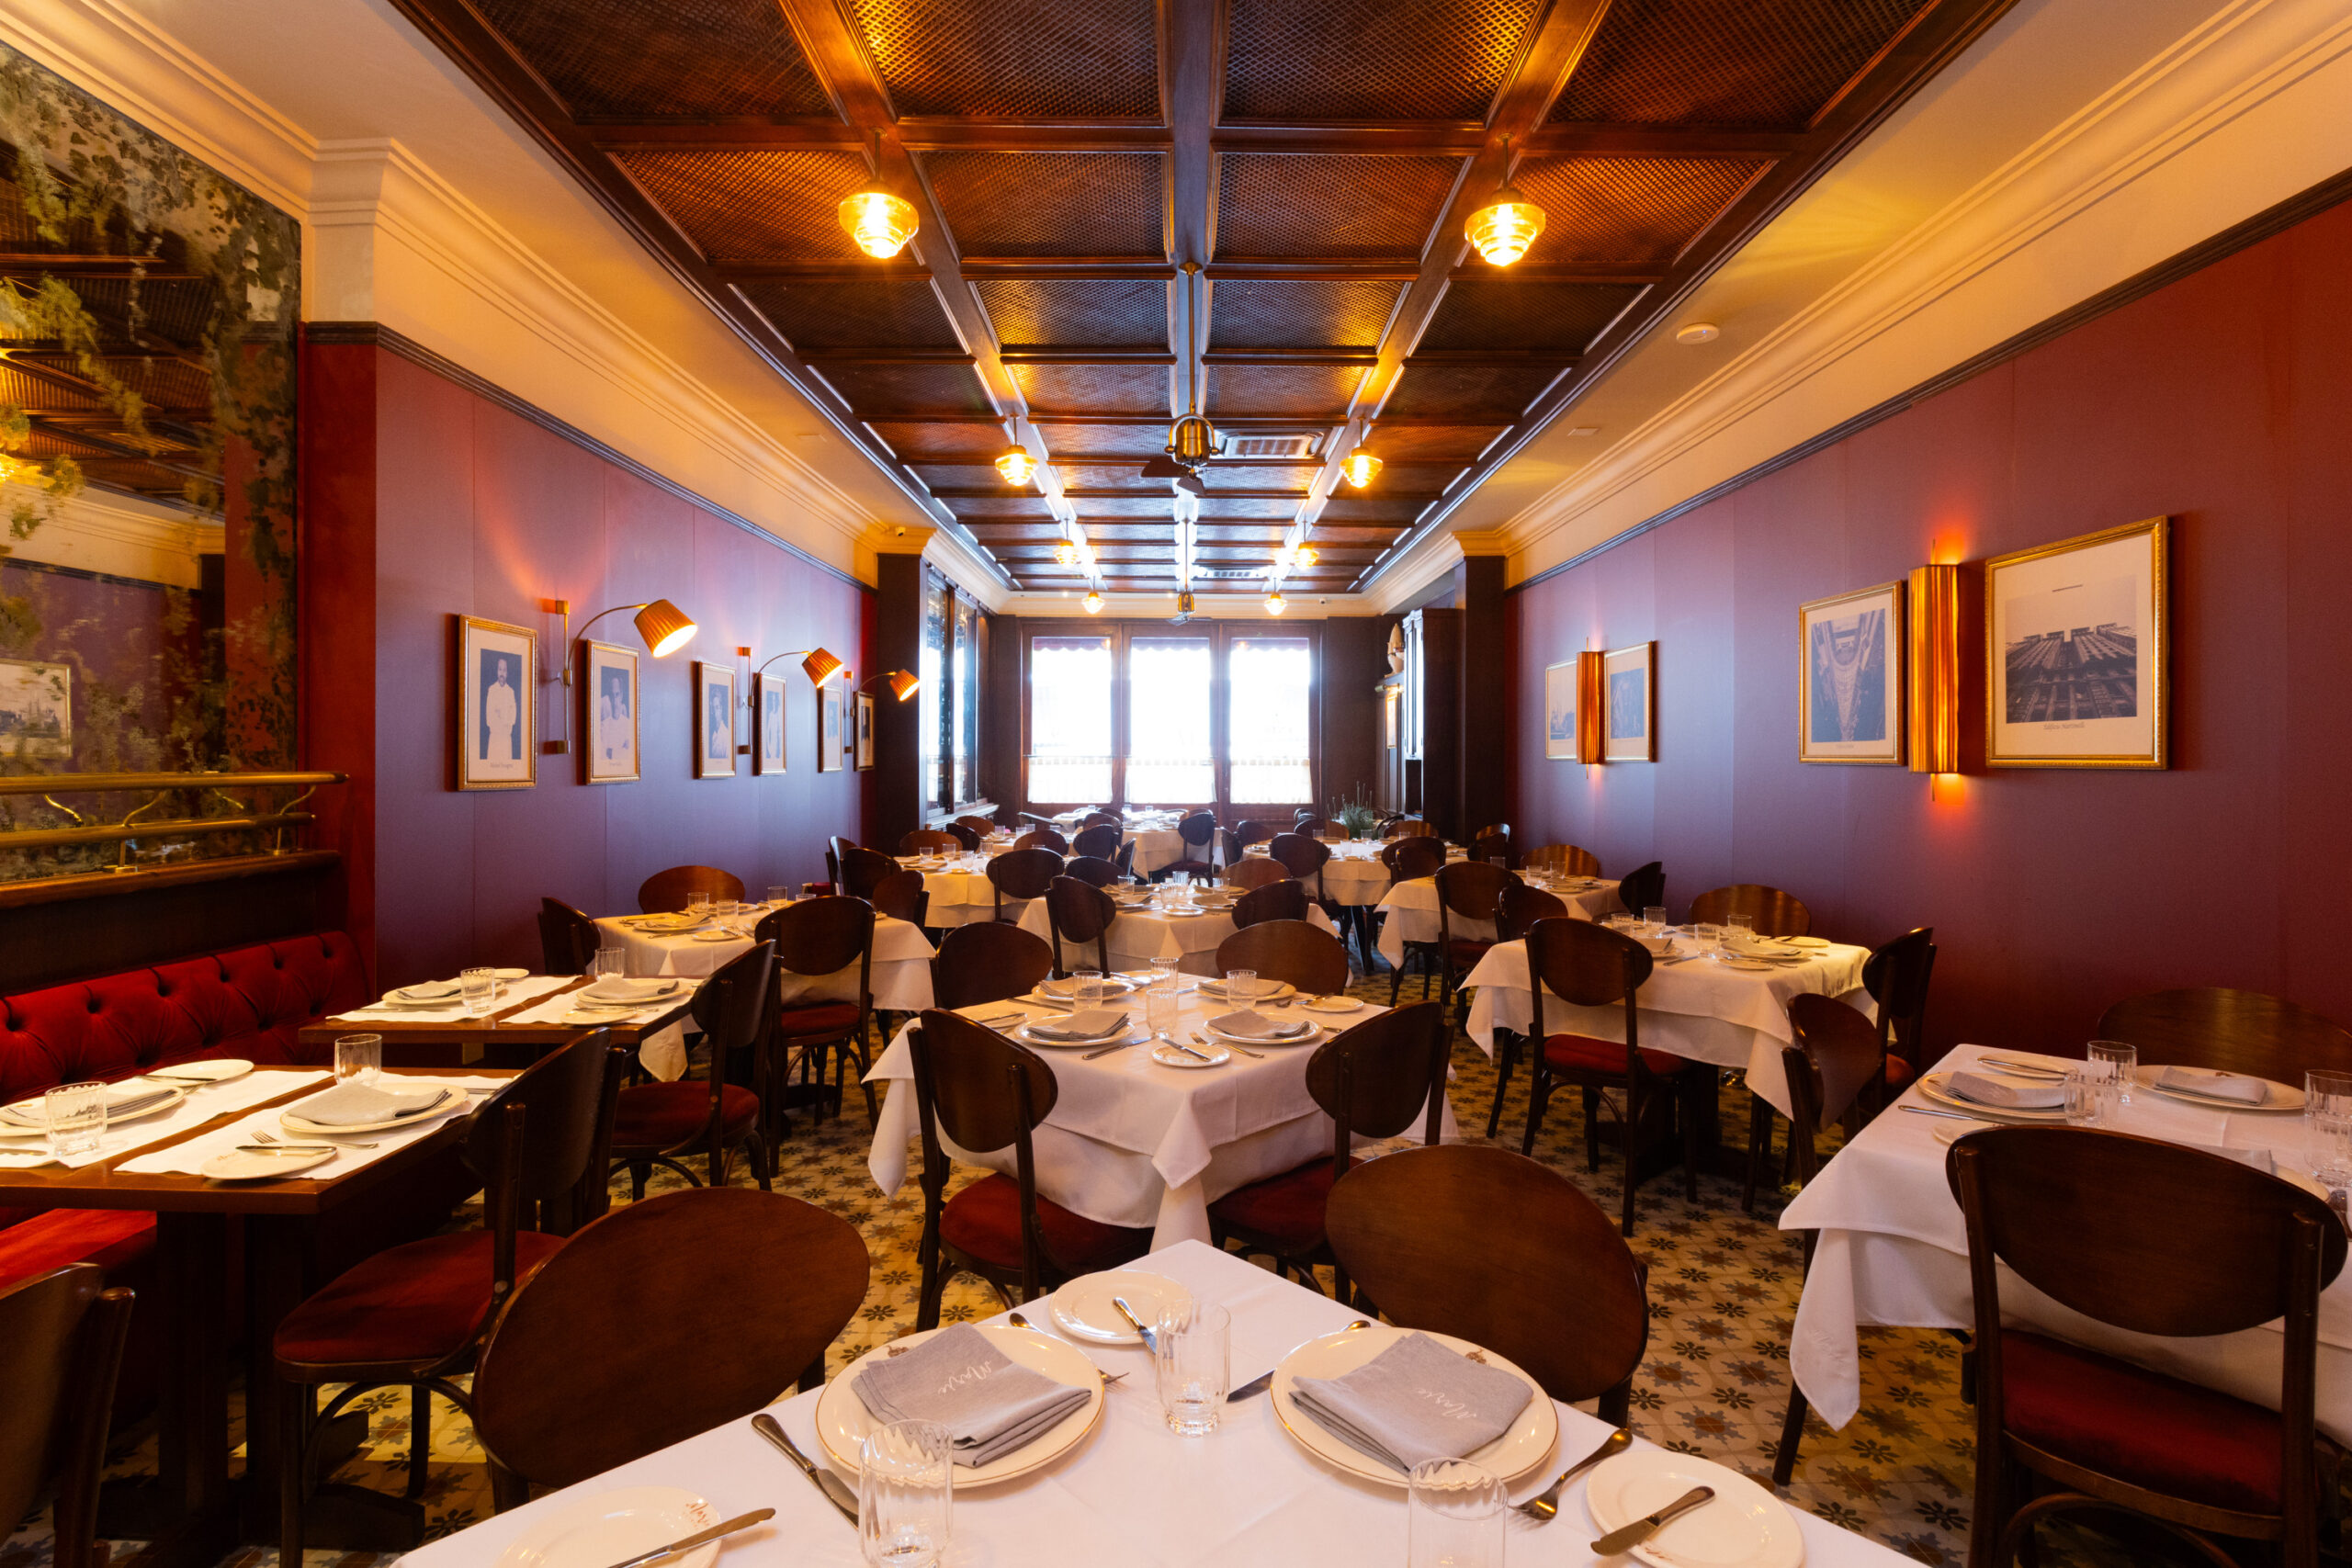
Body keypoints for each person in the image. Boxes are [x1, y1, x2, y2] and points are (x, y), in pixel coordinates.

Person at [483, 656, 518, 761]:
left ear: (507, 673)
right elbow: (489, 717)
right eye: (500, 669)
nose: (502, 673)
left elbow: (513, 717)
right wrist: (503, 716)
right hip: (495, 738)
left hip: (506, 738)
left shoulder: (511, 692)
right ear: (497, 671)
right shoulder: (492, 690)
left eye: (504, 670)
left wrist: (500, 714)